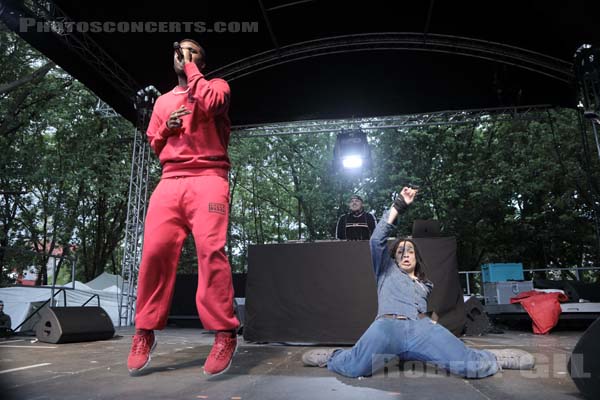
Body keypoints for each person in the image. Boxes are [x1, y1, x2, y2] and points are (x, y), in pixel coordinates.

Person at [303, 187, 534, 378]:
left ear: (416, 258)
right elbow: (376, 240)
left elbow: (428, 312)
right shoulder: (385, 271)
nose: (405, 254)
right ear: (394, 258)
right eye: (400, 251)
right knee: (354, 368)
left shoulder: (427, 283)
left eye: (410, 251)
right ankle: (334, 356)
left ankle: (493, 358)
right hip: (387, 327)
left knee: (469, 367)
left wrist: (435, 330)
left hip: (419, 329)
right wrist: (398, 206)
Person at [127, 39, 239, 376]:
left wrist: (192, 70)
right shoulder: (162, 101)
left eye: (192, 52)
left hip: (209, 176)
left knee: (210, 251)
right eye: (180, 52)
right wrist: (167, 127)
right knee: (154, 253)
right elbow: (155, 143)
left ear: (200, 61)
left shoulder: (216, 86)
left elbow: (214, 102)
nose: (183, 55)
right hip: (170, 180)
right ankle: (144, 331)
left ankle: (224, 333)